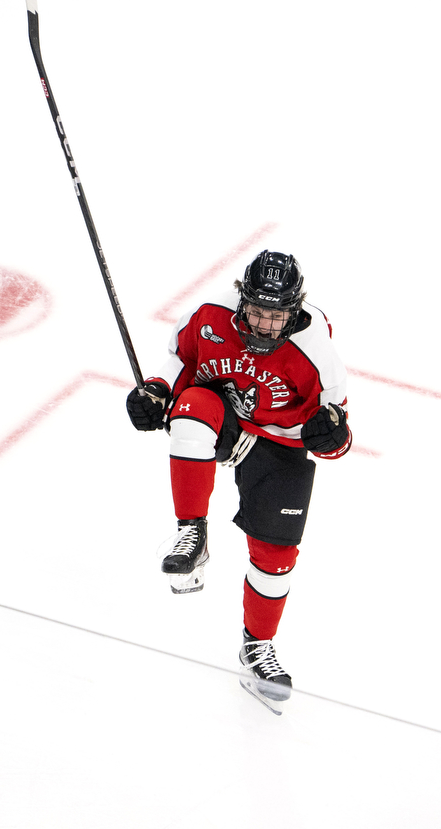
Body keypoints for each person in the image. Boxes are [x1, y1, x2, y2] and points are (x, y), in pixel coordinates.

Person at [125, 249, 351, 709]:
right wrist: (155, 391)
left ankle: (256, 646)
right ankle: (193, 533)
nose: (265, 324)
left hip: (281, 442)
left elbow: (340, 434)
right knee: (190, 413)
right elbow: (179, 361)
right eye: (257, 312)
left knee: (276, 554)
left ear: (295, 310)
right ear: (241, 298)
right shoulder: (210, 315)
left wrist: (331, 435)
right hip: (223, 419)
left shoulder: (316, 353)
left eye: (277, 316)